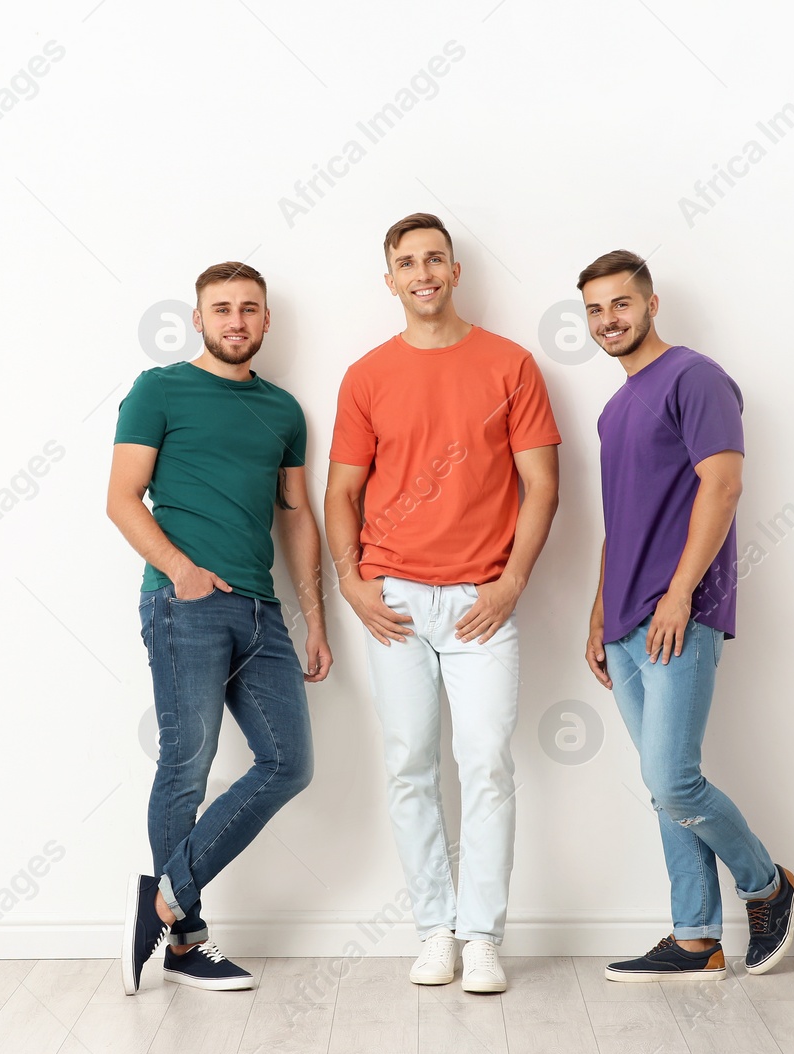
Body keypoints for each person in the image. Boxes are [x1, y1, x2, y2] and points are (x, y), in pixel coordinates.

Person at [324, 213, 560, 993]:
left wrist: (513, 580)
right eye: (405, 262)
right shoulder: (366, 375)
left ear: (455, 271)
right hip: (391, 601)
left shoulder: (511, 364)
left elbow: (542, 484)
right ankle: (435, 929)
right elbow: (341, 492)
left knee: (486, 763)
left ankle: (482, 934)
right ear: (388, 279)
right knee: (409, 766)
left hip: (478, 605)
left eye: (434, 259)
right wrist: (352, 582)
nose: (421, 272)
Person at [108, 261, 332, 994]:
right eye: (222, 308)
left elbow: (296, 515)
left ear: (266, 322)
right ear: (198, 319)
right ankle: (185, 939)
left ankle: (165, 899)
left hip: (263, 612)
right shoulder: (159, 389)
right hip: (186, 605)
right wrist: (182, 571)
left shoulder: (284, 410)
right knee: (188, 762)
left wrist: (313, 618)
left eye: (250, 309)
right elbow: (121, 498)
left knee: (288, 764)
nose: (237, 320)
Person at [577, 249, 794, 982]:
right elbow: (621, 522)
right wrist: (597, 612)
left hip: (681, 612)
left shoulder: (695, 377)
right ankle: (696, 936)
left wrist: (679, 594)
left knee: (675, 780)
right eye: (595, 310)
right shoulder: (613, 408)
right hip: (626, 621)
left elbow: (724, 486)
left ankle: (767, 886)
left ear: (650, 303)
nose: (609, 319)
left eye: (621, 304)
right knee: (662, 785)